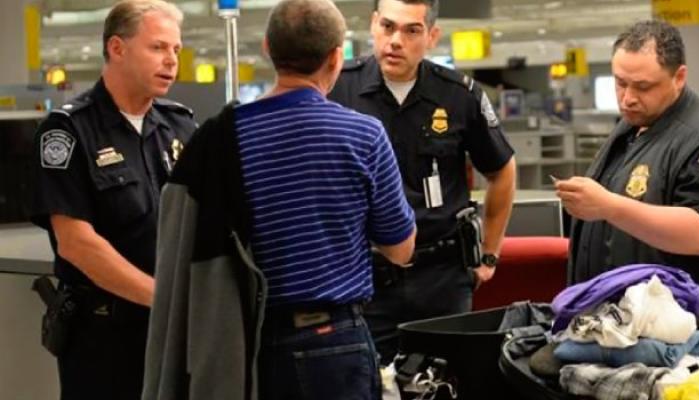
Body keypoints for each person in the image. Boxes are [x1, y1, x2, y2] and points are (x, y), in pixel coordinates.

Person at [142, 1, 416, 399]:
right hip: (337, 343)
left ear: (267, 48)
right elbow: (401, 248)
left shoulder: (224, 138)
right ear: (335, 58)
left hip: (250, 346)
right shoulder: (364, 135)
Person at [555, 20, 699, 351]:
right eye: (620, 83)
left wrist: (608, 206)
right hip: (626, 332)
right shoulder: (635, 128)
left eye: (643, 86)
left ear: (679, 77)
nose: (628, 98)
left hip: (687, 341)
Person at [328, 0, 516, 363]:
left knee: (448, 379)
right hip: (364, 275)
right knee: (367, 380)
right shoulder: (339, 90)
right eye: (387, 26)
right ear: (373, 25)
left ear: (432, 36)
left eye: (412, 30)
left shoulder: (459, 95)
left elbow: (502, 170)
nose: (396, 40)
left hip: (442, 275)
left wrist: (489, 254)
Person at [29, 1, 195, 399]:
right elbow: (76, 243)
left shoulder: (180, 126)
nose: (171, 60)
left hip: (175, 333)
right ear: (117, 48)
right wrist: (163, 299)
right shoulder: (68, 131)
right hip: (103, 336)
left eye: (176, 49)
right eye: (158, 47)